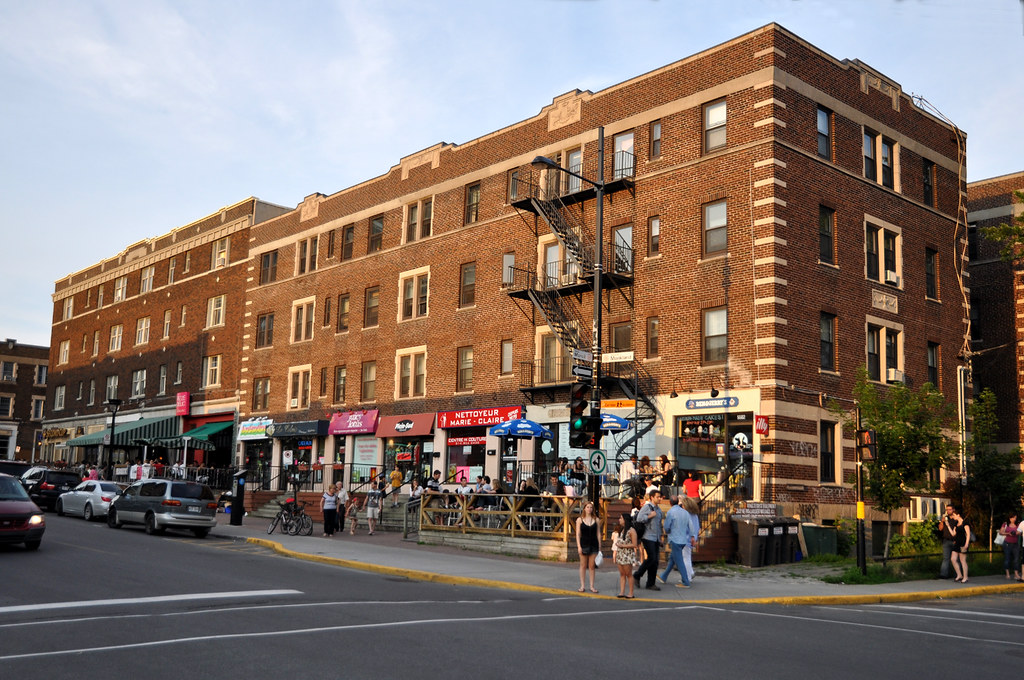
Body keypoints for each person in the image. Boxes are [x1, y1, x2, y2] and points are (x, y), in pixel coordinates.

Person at [632, 487, 664, 591]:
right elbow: (639, 518)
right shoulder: (647, 507)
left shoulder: (658, 509)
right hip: (647, 536)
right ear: (652, 497)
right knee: (652, 558)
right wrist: (649, 516)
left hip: (655, 537)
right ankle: (637, 575)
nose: (660, 499)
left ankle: (651, 583)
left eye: (660, 497)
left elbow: (659, 524)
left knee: (655, 561)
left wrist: (661, 537)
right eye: (658, 497)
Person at [659, 495, 695, 587]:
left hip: (674, 539)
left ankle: (685, 581)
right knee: (673, 558)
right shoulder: (685, 512)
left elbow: (666, 526)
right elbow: (690, 526)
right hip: (683, 540)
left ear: (670, 503)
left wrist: (667, 531)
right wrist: (692, 536)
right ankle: (664, 576)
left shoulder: (671, 512)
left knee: (679, 561)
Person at [575, 500, 601, 593]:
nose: (589, 509)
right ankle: (582, 585)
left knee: (592, 566)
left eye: (591, 507)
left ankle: (592, 586)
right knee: (583, 565)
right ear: (584, 508)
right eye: (588, 507)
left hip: (594, 544)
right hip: (584, 543)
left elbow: (598, 534)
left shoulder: (596, 519)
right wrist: (578, 546)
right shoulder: (580, 520)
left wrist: (600, 547)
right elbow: (578, 534)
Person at [613, 512, 639, 598]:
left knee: (628, 574)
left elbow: (635, 544)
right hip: (621, 554)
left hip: (627, 555)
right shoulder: (622, 529)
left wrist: (623, 545)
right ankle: (622, 592)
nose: (619, 520)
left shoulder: (632, 530)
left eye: (621, 518)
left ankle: (631, 593)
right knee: (622, 574)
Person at [681, 495, 701, 583]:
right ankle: (690, 573)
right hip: (692, 538)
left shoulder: (686, 515)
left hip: (686, 538)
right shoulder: (695, 515)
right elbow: (697, 527)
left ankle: (688, 577)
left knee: (686, 558)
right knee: (687, 557)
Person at [997, 513, 1021, 581]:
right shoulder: (1005, 524)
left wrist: (1016, 533)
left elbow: (1020, 532)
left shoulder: (1018, 524)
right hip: (1007, 543)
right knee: (1007, 559)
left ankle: (1016, 573)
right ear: (1010, 518)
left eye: (1015, 518)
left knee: (1016, 559)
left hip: (1015, 543)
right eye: (1013, 518)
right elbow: (1001, 532)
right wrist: (1008, 533)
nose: (1014, 519)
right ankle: (1007, 574)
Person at [950, 507, 970, 583]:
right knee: (953, 559)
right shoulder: (956, 524)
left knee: (962, 560)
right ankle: (959, 575)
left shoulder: (965, 523)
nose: (953, 517)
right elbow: (953, 534)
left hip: (963, 543)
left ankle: (965, 577)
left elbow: (968, 534)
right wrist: (948, 526)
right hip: (957, 543)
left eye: (954, 515)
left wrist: (966, 544)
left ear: (958, 515)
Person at [937, 503, 958, 579]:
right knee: (946, 558)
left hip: (955, 540)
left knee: (956, 559)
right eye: (947, 510)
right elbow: (940, 529)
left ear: (953, 510)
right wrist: (942, 522)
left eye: (949, 509)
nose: (948, 511)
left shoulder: (956, 518)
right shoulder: (945, 518)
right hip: (946, 540)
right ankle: (944, 574)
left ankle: (958, 574)